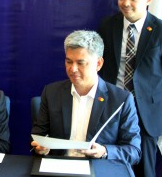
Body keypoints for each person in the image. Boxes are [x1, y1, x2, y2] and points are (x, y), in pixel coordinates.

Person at [98, 0, 162, 176]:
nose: (125, 3)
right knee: (108, 164)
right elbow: (100, 66)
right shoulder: (107, 26)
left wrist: (154, 97)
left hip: (146, 114)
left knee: (145, 169)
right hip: (112, 107)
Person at [31, 30, 141, 166]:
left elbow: (134, 151)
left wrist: (105, 151)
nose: (73, 69)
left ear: (98, 64)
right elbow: (37, 137)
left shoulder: (121, 100)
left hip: (98, 169)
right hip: (58, 167)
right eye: (68, 62)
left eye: (81, 63)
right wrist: (40, 148)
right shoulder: (51, 92)